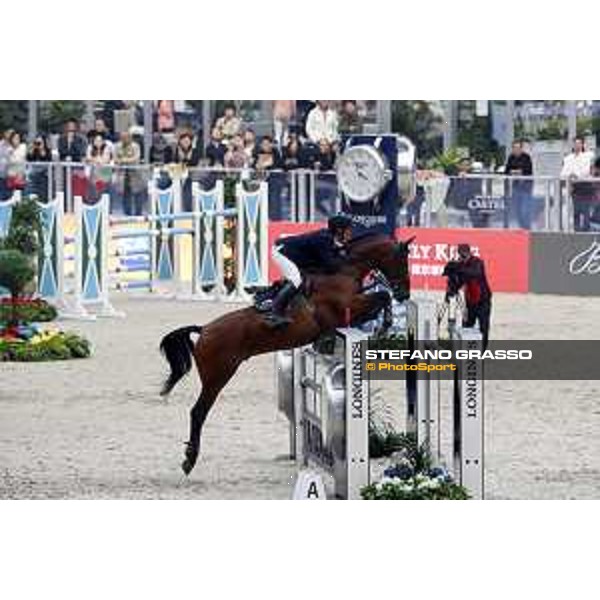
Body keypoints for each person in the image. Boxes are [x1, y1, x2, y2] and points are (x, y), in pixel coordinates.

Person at [266, 214, 354, 327]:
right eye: (348, 229)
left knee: (303, 277)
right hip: (281, 252)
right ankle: (275, 313)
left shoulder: (329, 237)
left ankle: (274, 294)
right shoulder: (324, 239)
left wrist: (343, 250)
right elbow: (331, 266)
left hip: (291, 253)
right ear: (339, 230)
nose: (350, 232)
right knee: (296, 280)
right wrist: (344, 255)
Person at [443, 243, 492, 348]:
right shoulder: (461, 265)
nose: (462, 257)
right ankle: (466, 349)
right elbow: (459, 283)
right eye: (460, 255)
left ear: (469, 253)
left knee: (484, 327)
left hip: (483, 301)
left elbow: (475, 273)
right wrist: (451, 286)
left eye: (464, 255)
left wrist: (457, 268)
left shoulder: (478, 262)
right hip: (470, 301)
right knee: (467, 326)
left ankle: (481, 352)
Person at [561, 137, 594, 231]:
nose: (577, 145)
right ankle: (576, 231)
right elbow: (563, 172)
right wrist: (571, 175)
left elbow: (586, 171)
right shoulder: (568, 158)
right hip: (573, 187)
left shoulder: (587, 156)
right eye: (575, 143)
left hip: (585, 186)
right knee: (576, 211)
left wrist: (575, 174)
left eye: (579, 143)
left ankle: (586, 232)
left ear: (583, 145)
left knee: (585, 210)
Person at [504, 140, 533, 229]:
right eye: (514, 148)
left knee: (524, 210)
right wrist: (514, 171)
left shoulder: (526, 157)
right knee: (517, 210)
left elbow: (528, 170)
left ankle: (527, 228)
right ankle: (522, 228)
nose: (516, 149)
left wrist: (517, 171)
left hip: (526, 187)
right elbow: (507, 171)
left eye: (518, 148)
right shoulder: (511, 157)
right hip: (515, 186)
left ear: (521, 148)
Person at [114, 131, 144, 215]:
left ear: (130, 138)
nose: (125, 139)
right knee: (125, 194)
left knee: (138, 193)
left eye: (127, 137)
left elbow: (136, 158)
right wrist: (125, 160)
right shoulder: (117, 146)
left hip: (135, 173)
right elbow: (115, 159)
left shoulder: (135, 146)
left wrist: (123, 160)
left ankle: (138, 213)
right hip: (122, 174)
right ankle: (127, 213)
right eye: (123, 137)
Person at [27, 135, 52, 200]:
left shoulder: (47, 150)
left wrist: (42, 149)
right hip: (34, 175)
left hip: (43, 176)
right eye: (36, 142)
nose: (38, 144)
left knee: (42, 195)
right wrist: (31, 149)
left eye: (40, 142)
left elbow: (47, 158)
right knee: (32, 194)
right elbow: (29, 159)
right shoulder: (34, 150)